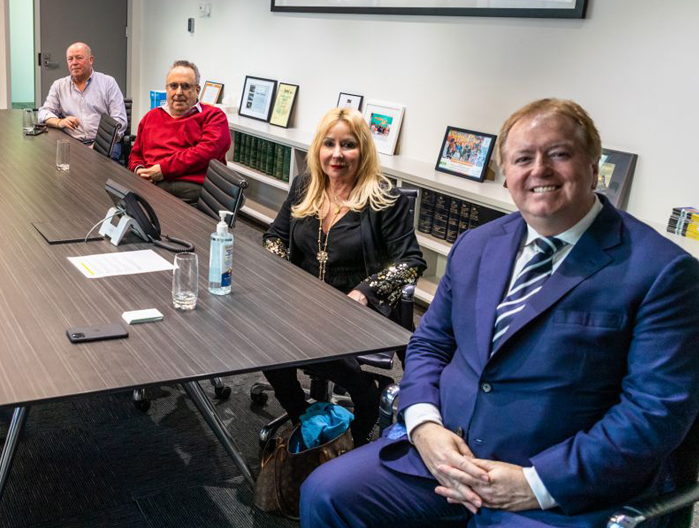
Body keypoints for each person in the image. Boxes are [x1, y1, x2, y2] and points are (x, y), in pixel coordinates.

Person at [299, 99, 699, 527]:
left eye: (558, 154)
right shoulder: (476, 245)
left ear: (593, 164)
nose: (539, 170)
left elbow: (653, 412)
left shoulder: (663, 272)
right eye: (523, 158)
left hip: (556, 489)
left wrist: (535, 483)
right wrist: (424, 425)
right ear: (506, 174)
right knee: (326, 494)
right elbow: (430, 343)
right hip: (444, 455)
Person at [262, 107, 425, 446]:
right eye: (329, 144)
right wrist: (283, 272)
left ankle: (365, 401)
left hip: (359, 310)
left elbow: (411, 261)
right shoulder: (304, 186)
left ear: (363, 151)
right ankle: (304, 416)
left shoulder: (385, 199)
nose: (337, 154)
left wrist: (364, 293)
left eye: (348, 145)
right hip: (303, 301)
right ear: (318, 148)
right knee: (261, 340)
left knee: (312, 348)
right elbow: (275, 236)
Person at [127, 60, 230, 205]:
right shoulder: (151, 117)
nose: (179, 92)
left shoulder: (214, 116)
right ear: (167, 89)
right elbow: (136, 153)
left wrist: (162, 170)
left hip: (189, 185)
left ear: (197, 90)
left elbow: (206, 152)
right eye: (174, 86)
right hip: (151, 181)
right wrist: (139, 170)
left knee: (140, 204)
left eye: (186, 86)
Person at [36, 42, 127, 160]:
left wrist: (97, 146)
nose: (74, 63)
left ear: (91, 60)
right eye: (70, 59)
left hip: (105, 144)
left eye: (79, 58)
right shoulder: (59, 85)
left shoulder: (108, 83)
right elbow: (43, 113)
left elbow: (120, 121)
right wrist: (59, 122)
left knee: (99, 166)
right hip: (73, 143)